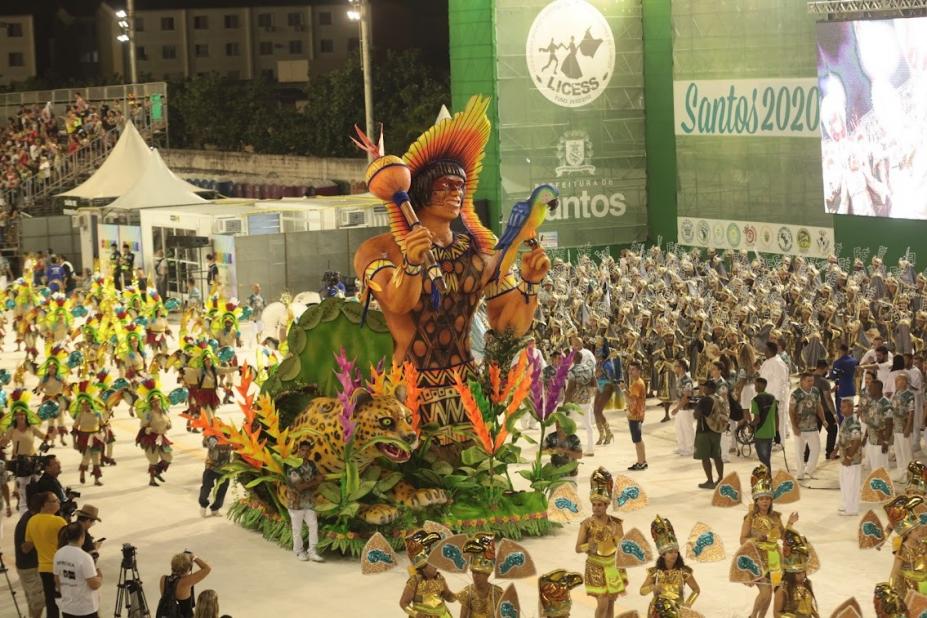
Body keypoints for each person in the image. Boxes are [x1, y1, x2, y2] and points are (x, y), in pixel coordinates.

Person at [353, 98, 549, 446]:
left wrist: (529, 285)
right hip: (407, 397)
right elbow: (398, 303)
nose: (456, 193)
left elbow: (506, 328)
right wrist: (412, 263)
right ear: (421, 191)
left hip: (467, 392)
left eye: (460, 186)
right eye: (445, 185)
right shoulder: (379, 250)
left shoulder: (474, 251)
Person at [740, 466, 799, 618]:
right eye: (761, 499)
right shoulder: (750, 518)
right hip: (757, 559)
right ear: (756, 500)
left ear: (771, 500)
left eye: (767, 498)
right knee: (765, 593)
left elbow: (783, 536)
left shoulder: (775, 517)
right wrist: (756, 539)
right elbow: (742, 539)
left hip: (774, 559)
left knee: (771, 595)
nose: (764, 501)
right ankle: (752, 616)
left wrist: (790, 523)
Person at [575, 467, 626, 618]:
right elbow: (578, 548)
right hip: (595, 566)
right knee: (602, 603)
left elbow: (621, 548)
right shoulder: (586, 524)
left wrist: (616, 540)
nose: (596, 508)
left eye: (600, 505)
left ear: (606, 505)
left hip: (612, 567)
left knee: (611, 602)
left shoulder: (616, 524)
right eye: (594, 505)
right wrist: (588, 546)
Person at [640, 515, 700, 616]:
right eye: (670, 552)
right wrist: (652, 588)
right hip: (657, 613)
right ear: (663, 555)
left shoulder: (684, 572)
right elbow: (642, 591)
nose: (674, 554)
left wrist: (688, 603)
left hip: (677, 612)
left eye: (676, 552)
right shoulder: (655, 573)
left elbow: (696, 590)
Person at [23, 491, 67, 618]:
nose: (58, 503)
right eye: (54, 501)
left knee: (51, 602)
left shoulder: (31, 521)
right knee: (66, 601)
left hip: (43, 567)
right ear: (44, 505)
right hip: (59, 567)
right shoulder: (59, 521)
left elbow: (28, 544)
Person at [399, 530, 455, 617]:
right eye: (432, 565)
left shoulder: (440, 578)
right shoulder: (415, 581)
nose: (436, 567)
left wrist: (454, 596)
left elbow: (447, 595)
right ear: (423, 567)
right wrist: (415, 613)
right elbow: (403, 603)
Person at [53, 522, 102, 618]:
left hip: (67, 608)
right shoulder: (84, 557)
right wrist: (100, 576)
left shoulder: (58, 553)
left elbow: (57, 580)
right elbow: (94, 584)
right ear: (82, 537)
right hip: (85, 610)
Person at [285, 440, 323, 562]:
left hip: (309, 501)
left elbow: (320, 477)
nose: (305, 453)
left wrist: (314, 482)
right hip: (296, 503)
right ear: (298, 450)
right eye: (302, 450)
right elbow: (299, 487)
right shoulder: (292, 466)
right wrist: (315, 481)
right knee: (297, 529)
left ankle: (312, 551)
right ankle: (299, 551)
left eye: (307, 450)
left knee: (313, 526)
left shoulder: (311, 464)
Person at [772, 528, 818, 618]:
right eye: (798, 574)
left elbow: (807, 605)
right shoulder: (782, 590)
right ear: (790, 574)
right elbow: (776, 613)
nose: (802, 576)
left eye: (803, 572)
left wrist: (815, 614)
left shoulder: (808, 584)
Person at [135, 380, 173, 487]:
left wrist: (169, 425)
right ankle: (152, 479)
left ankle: (157, 472)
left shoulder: (163, 411)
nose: (156, 403)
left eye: (158, 401)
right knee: (153, 459)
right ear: (151, 403)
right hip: (151, 439)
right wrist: (148, 429)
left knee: (168, 457)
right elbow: (143, 425)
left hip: (161, 437)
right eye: (154, 402)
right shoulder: (149, 414)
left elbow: (168, 421)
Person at [457, 533, 505, 618]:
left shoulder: (497, 593)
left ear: (487, 574)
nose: (475, 576)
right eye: (474, 573)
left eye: (479, 573)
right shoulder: (468, 593)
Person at [789, 373, 826, 481]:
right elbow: (791, 411)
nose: (811, 383)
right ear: (802, 381)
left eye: (812, 381)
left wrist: (823, 420)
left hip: (813, 426)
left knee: (816, 448)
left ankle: (809, 470)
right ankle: (800, 473)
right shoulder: (796, 394)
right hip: (799, 426)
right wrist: (794, 426)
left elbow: (819, 406)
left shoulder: (815, 391)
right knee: (799, 451)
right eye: (808, 381)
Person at [14, 492, 46, 618]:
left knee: (32, 601)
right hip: (30, 567)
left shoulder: (29, 517)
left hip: (26, 566)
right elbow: (25, 549)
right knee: (38, 601)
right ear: (42, 506)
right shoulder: (30, 521)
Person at [566, 337, 596, 457]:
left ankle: (573, 448)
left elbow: (570, 388)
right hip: (586, 400)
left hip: (575, 402)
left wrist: (565, 402)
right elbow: (594, 384)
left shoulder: (573, 371)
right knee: (588, 426)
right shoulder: (588, 370)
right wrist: (589, 394)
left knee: (571, 425)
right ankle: (590, 448)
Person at [160, 552, 212, 618]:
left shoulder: (163, 579)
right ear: (187, 569)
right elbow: (207, 568)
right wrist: (194, 557)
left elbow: (173, 581)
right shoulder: (186, 582)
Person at [694, 381, 724, 489]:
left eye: (704, 387)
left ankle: (710, 481)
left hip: (704, 431)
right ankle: (721, 478)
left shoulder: (705, 399)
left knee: (705, 457)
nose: (703, 389)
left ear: (710, 389)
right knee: (717, 456)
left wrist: (697, 407)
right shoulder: (719, 398)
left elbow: (697, 415)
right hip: (716, 430)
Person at [760, 341, 791, 446]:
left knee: (779, 420)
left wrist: (776, 398)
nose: (763, 352)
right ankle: (772, 439)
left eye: (765, 350)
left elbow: (781, 382)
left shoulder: (778, 363)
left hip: (775, 397)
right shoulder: (767, 362)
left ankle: (781, 442)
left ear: (769, 351)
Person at [837, 397, 862, 516]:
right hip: (844, 458)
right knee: (844, 483)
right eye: (841, 407)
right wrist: (836, 450)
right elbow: (842, 437)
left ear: (851, 408)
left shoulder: (853, 423)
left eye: (844, 407)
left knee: (851, 484)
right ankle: (847, 505)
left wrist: (849, 457)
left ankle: (852, 509)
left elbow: (856, 441)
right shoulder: (846, 420)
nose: (841, 409)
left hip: (852, 460)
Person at [861, 379, 893, 472]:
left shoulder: (886, 403)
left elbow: (889, 423)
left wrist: (886, 441)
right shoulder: (871, 401)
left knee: (881, 467)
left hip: (881, 440)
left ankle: (883, 485)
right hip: (871, 440)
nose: (868, 389)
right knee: (874, 467)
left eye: (871, 388)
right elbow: (870, 421)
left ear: (878, 389)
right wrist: (865, 437)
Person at [198, 435, 231, 517]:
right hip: (211, 467)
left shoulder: (229, 435)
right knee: (206, 487)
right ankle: (203, 505)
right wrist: (208, 439)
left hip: (225, 468)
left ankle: (215, 508)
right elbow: (204, 444)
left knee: (222, 489)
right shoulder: (212, 435)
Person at [891, 372, 916, 480]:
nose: (897, 382)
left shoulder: (909, 395)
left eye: (900, 380)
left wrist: (908, 427)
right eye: (896, 381)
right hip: (896, 427)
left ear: (905, 382)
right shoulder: (896, 393)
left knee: (907, 452)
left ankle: (910, 474)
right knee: (898, 451)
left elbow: (911, 412)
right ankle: (901, 471)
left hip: (904, 427)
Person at [813, 359, 838, 460]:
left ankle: (806, 456)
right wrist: (834, 413)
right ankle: (830, 453)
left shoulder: (807, 378)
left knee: (813, 434)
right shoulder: (823, 381)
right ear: (825, 368)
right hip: (824, 410)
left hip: (812, 410)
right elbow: (827, 398)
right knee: (833, 430)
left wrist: (832, 390)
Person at [751, 377, 778, 471]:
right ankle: (768, 480)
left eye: (755, 384)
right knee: (767, 458)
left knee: (763, 460)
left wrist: (750, 425)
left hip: (760, 433)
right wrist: (777, 432)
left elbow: (757, 419)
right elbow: (776, 416)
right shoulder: (773, 398)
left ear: (759, 385)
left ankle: (768, 480)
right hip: (771, 432)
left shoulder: (755, 400)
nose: (754, 386)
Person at [625, 362, 648, 470]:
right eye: (630, 369)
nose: (630, 372)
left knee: (637, 439)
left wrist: (622, 390)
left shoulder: (636, 384)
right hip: (638, 413)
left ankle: (640, 462)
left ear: (639, 371)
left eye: (633, 369)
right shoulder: (638, 382)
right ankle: (642, 461)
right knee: (638, 439)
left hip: (635, 414)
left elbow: (632, 399)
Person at [669, 359, 695, 457]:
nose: (674, 368)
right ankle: (682, 447)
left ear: (681, 368)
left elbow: (687, 397)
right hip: (680, 407)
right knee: (679, 427)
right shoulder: (678, 379)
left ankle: (690, 448)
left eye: (676, 366)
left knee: (687, 428)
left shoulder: (687, 381)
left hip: (686, 408)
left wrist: (677, 408)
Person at [830, 343, 858, 413]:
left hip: (841, 388)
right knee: (850, 410)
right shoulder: (854, 361)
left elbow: (833, 376)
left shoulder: (838, 363)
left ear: (840, 351)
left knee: (842, 411)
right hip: (851, 387)